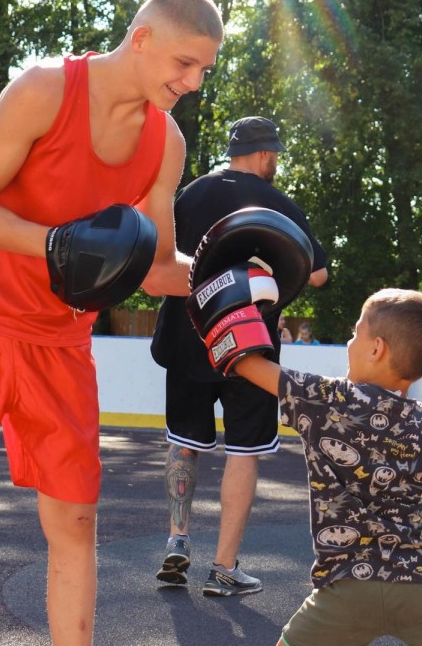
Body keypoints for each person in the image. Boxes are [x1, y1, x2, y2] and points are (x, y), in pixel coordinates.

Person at [0, 0, 224, 646]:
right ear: (141, 39)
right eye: (185, 63)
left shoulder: (164, 144)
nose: (193, 82)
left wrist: (239, 275)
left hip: (58, 341)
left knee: (77, 520)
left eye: (204, 70)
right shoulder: (45, 90)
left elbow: (156, 264)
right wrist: (56, 244)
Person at [210, 288, 422, 646]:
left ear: (376, 348)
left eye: (355, 332)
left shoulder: (325, 399)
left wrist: (222, 305)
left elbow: (243, 361)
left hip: (346, 588)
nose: (349, 342)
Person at [150, 115, 328, 595]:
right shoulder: (278, 204)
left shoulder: (188, 195)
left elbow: (157, 256)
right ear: (267, 155)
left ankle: (177, 540)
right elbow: (316, 275)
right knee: (244, 452)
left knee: (183, 440)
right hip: (248, 347)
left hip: (188, 336)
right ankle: (225, 568)